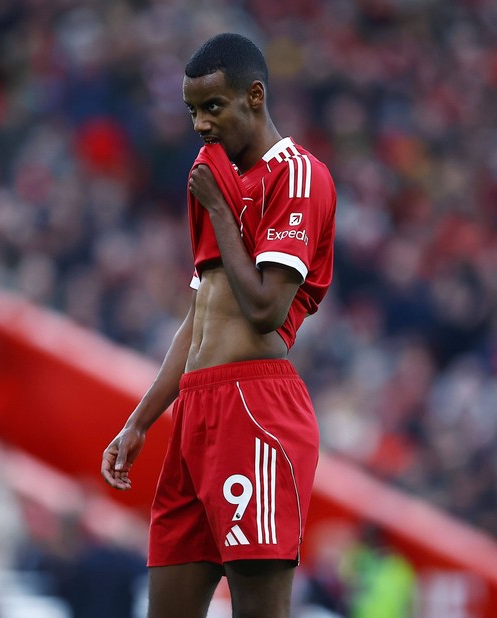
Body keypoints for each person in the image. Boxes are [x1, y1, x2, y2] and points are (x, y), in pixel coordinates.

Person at [101, 32, 336, 618]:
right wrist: (140, 422)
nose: (200, 124)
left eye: (212, 107)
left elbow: (265, 310)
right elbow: (200, 316)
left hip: (254, 410)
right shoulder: (217, 176)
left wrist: (218, 209)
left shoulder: (298, 177)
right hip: (195, 414)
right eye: (192, 111)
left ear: (254, 96)